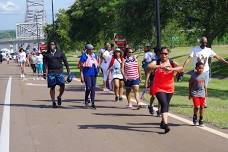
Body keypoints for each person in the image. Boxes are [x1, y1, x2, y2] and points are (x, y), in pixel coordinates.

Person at [183, 36, 228, 107]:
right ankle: (195, 99)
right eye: (203, 42)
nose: (205, 44)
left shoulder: (209, 50)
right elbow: (189, 58)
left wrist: (225, 62)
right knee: (195, 86)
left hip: (205, 71)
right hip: (196, 72)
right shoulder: (195, 49)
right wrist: (183, 67)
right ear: (200, 42)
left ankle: (204, 102)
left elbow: (217, 57)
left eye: (206, 42)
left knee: (204, 86)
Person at [148, 47, 183, 133]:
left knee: (166, 104)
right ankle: (166, 125)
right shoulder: (157, 62)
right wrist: (160, 66)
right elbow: (149, 66)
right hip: (158, 87)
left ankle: (162, 122)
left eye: (165, 54)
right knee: (164, 103)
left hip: (169, 87)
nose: (164, 55)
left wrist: (171, 69)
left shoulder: (171, 62)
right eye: (162, 53)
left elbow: (181, 68)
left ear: (168, 54)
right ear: (159, 54)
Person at [43, 41, 70, 108]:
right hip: (51, 72)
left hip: (59, 72)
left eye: (53, 44)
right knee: (52, 87)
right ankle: (53, 102)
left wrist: (68, 71)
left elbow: (65, 62)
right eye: (50, 44)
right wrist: (44, 72)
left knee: (62, 86)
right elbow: (45, 64)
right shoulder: (46, 54)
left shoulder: (60, 53)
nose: (51, 45)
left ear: (55, 45)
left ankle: (59, 96)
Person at [79, 44, 98, 109]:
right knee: (88, 88)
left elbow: (96, 64)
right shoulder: (84, 56)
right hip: (86, 74)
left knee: (93, 89)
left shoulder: (95, 55)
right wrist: (81, 75)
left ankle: (93, 103)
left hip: (94, 74)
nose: (92, 50)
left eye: (92, 49)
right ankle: (86, 100)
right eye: (90, 49)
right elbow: (81, 67)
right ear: (87, 50)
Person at [189, 62, 207, 126]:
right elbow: (190, 84)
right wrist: (189, 93)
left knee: (202, 107)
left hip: (202, 93)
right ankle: (195, 116)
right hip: (195, 93)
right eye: (199, 68)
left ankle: (201, 119)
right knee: (197, 106)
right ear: (196, 68)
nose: (200, 69)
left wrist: (206, 92)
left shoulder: (204, 75)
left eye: (202, 68)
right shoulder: (193, 75)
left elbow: (204, 84)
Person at [145, 47, 161, 116]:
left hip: (161, 80)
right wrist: (147, 81)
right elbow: (148, 71)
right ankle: (150, 105)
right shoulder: (154, 61)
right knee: (154, 96)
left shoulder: (163, 60)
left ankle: (159, 110)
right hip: (153, 79)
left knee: (160, 96)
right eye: (160, 53)